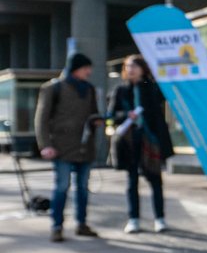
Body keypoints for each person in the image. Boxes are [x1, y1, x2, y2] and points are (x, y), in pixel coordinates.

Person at [35, 52, 103, 242]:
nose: (89, 72)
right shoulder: (53, 88)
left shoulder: (89, 89)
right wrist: (45, 145)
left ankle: (81, 224)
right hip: (61, 147)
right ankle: (56, 226)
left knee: (83, 188)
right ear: (76, 68)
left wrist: (97, 121)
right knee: (62, 187)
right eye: (86, 68)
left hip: (85, 147)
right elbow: (41, 119)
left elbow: (93, 113)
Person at [108, 54, 174, 233]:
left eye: (134, 66)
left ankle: (160, 218)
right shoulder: (121, 89)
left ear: (143, 69)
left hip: (150, 141)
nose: (130, 69)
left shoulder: (151, 87)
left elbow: (174, 95)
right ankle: (133, 219)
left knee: (155, 180)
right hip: (129, 141)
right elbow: (111, 115)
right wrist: (125, 115)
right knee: (132, 182)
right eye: (128, 66)